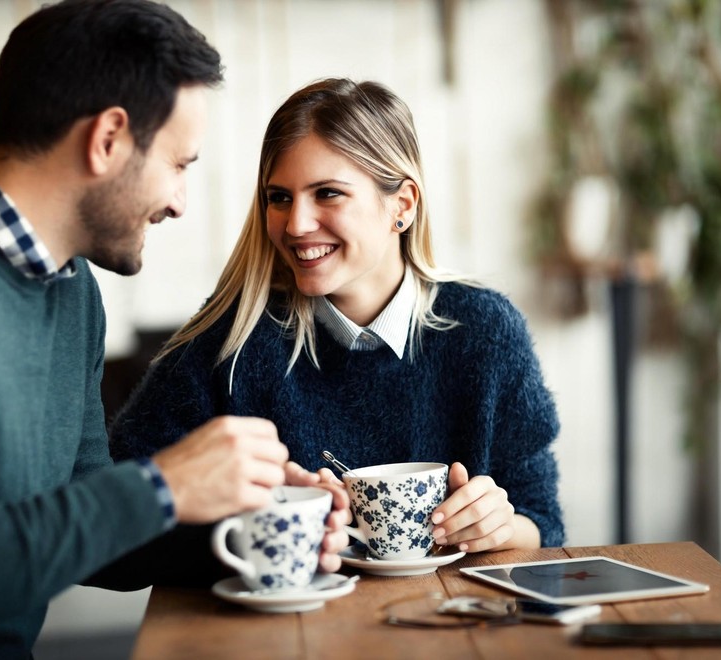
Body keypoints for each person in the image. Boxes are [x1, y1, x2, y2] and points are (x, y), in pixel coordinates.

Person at [0, 2, 348, 657]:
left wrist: (244, 517)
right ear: (108, 140)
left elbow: (99, 543)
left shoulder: (74, 292)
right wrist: (163, 486)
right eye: (180, 164)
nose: (180, 201)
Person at [110, 78, 565, 571]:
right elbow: (109, 541)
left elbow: (544, 524)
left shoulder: (486, 331)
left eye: (327, 193)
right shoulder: (230, 338)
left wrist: (501, 526)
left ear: (402, 206)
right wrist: (246, 527)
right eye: (279, 197)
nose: (296, 224)